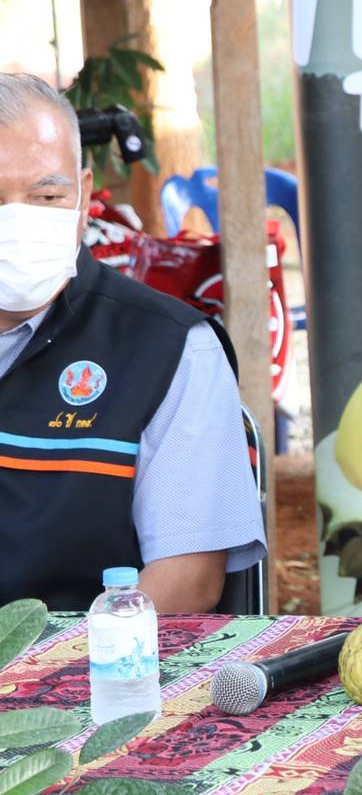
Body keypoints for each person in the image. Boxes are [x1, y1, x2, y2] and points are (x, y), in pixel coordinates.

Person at [0, 73, 265, 611]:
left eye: (46, 195)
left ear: (84, 196)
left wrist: (49, 667)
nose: (18, 219)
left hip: (79, 678)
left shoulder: (168, 350)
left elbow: (188, 578)